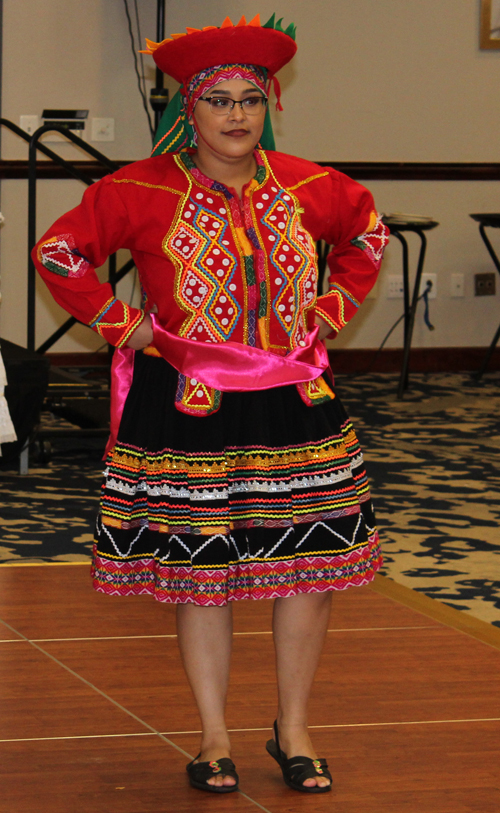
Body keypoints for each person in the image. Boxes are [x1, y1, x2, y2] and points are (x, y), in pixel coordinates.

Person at [33, 13, 389, 795]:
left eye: (251, 100)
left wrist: (330, 309)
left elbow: (367, 231)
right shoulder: (140, 187)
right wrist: (127, 327)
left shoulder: (306, 184)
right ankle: (213, 737)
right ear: (186, 111)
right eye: (219, 99)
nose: (236, 115)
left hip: (295, 400)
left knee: (310, 569)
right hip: (192, 404)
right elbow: (58, 251)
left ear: (269, 107)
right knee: (204, 572)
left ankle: (293, 728)